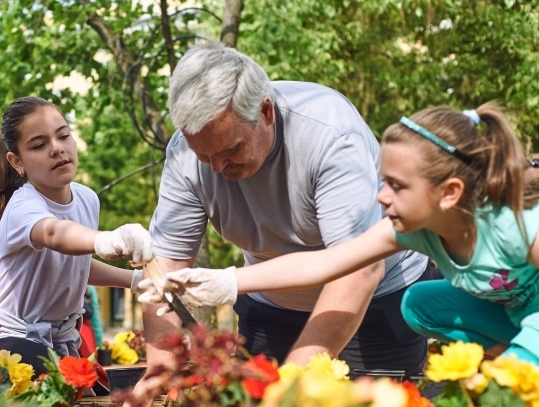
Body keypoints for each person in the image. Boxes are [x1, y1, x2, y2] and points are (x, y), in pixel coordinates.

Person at [141, 103, 539, 407]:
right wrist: (229, 281)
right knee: (417, 303)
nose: (381, 196)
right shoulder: (412, 229)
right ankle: (518, 356)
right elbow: (327, 262)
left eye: (397, 186)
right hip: (516, 312)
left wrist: (527, 355)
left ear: (448, 193)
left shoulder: (516, 227)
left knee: (516, 392)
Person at [142, 40, 430, 380]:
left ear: (266, 112)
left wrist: (290, 381)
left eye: (230, 149)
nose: (216, 167)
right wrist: (159, 369)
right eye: (204, 155)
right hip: (270, 307)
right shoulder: (184, 154)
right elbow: (165, 267)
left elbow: (358, 270)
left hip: (373, 305)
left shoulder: (331, 136)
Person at [0, 96, 152, 376]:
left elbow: (75, 265)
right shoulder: (23, 205)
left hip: (60, 343)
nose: (57, 149)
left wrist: (136, 281)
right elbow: (53, 233)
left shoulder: (88, 198)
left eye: (63, 136)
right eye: (39, 145)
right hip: (9, 341)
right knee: (47, 375)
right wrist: (105, 239)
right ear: (17, 161)